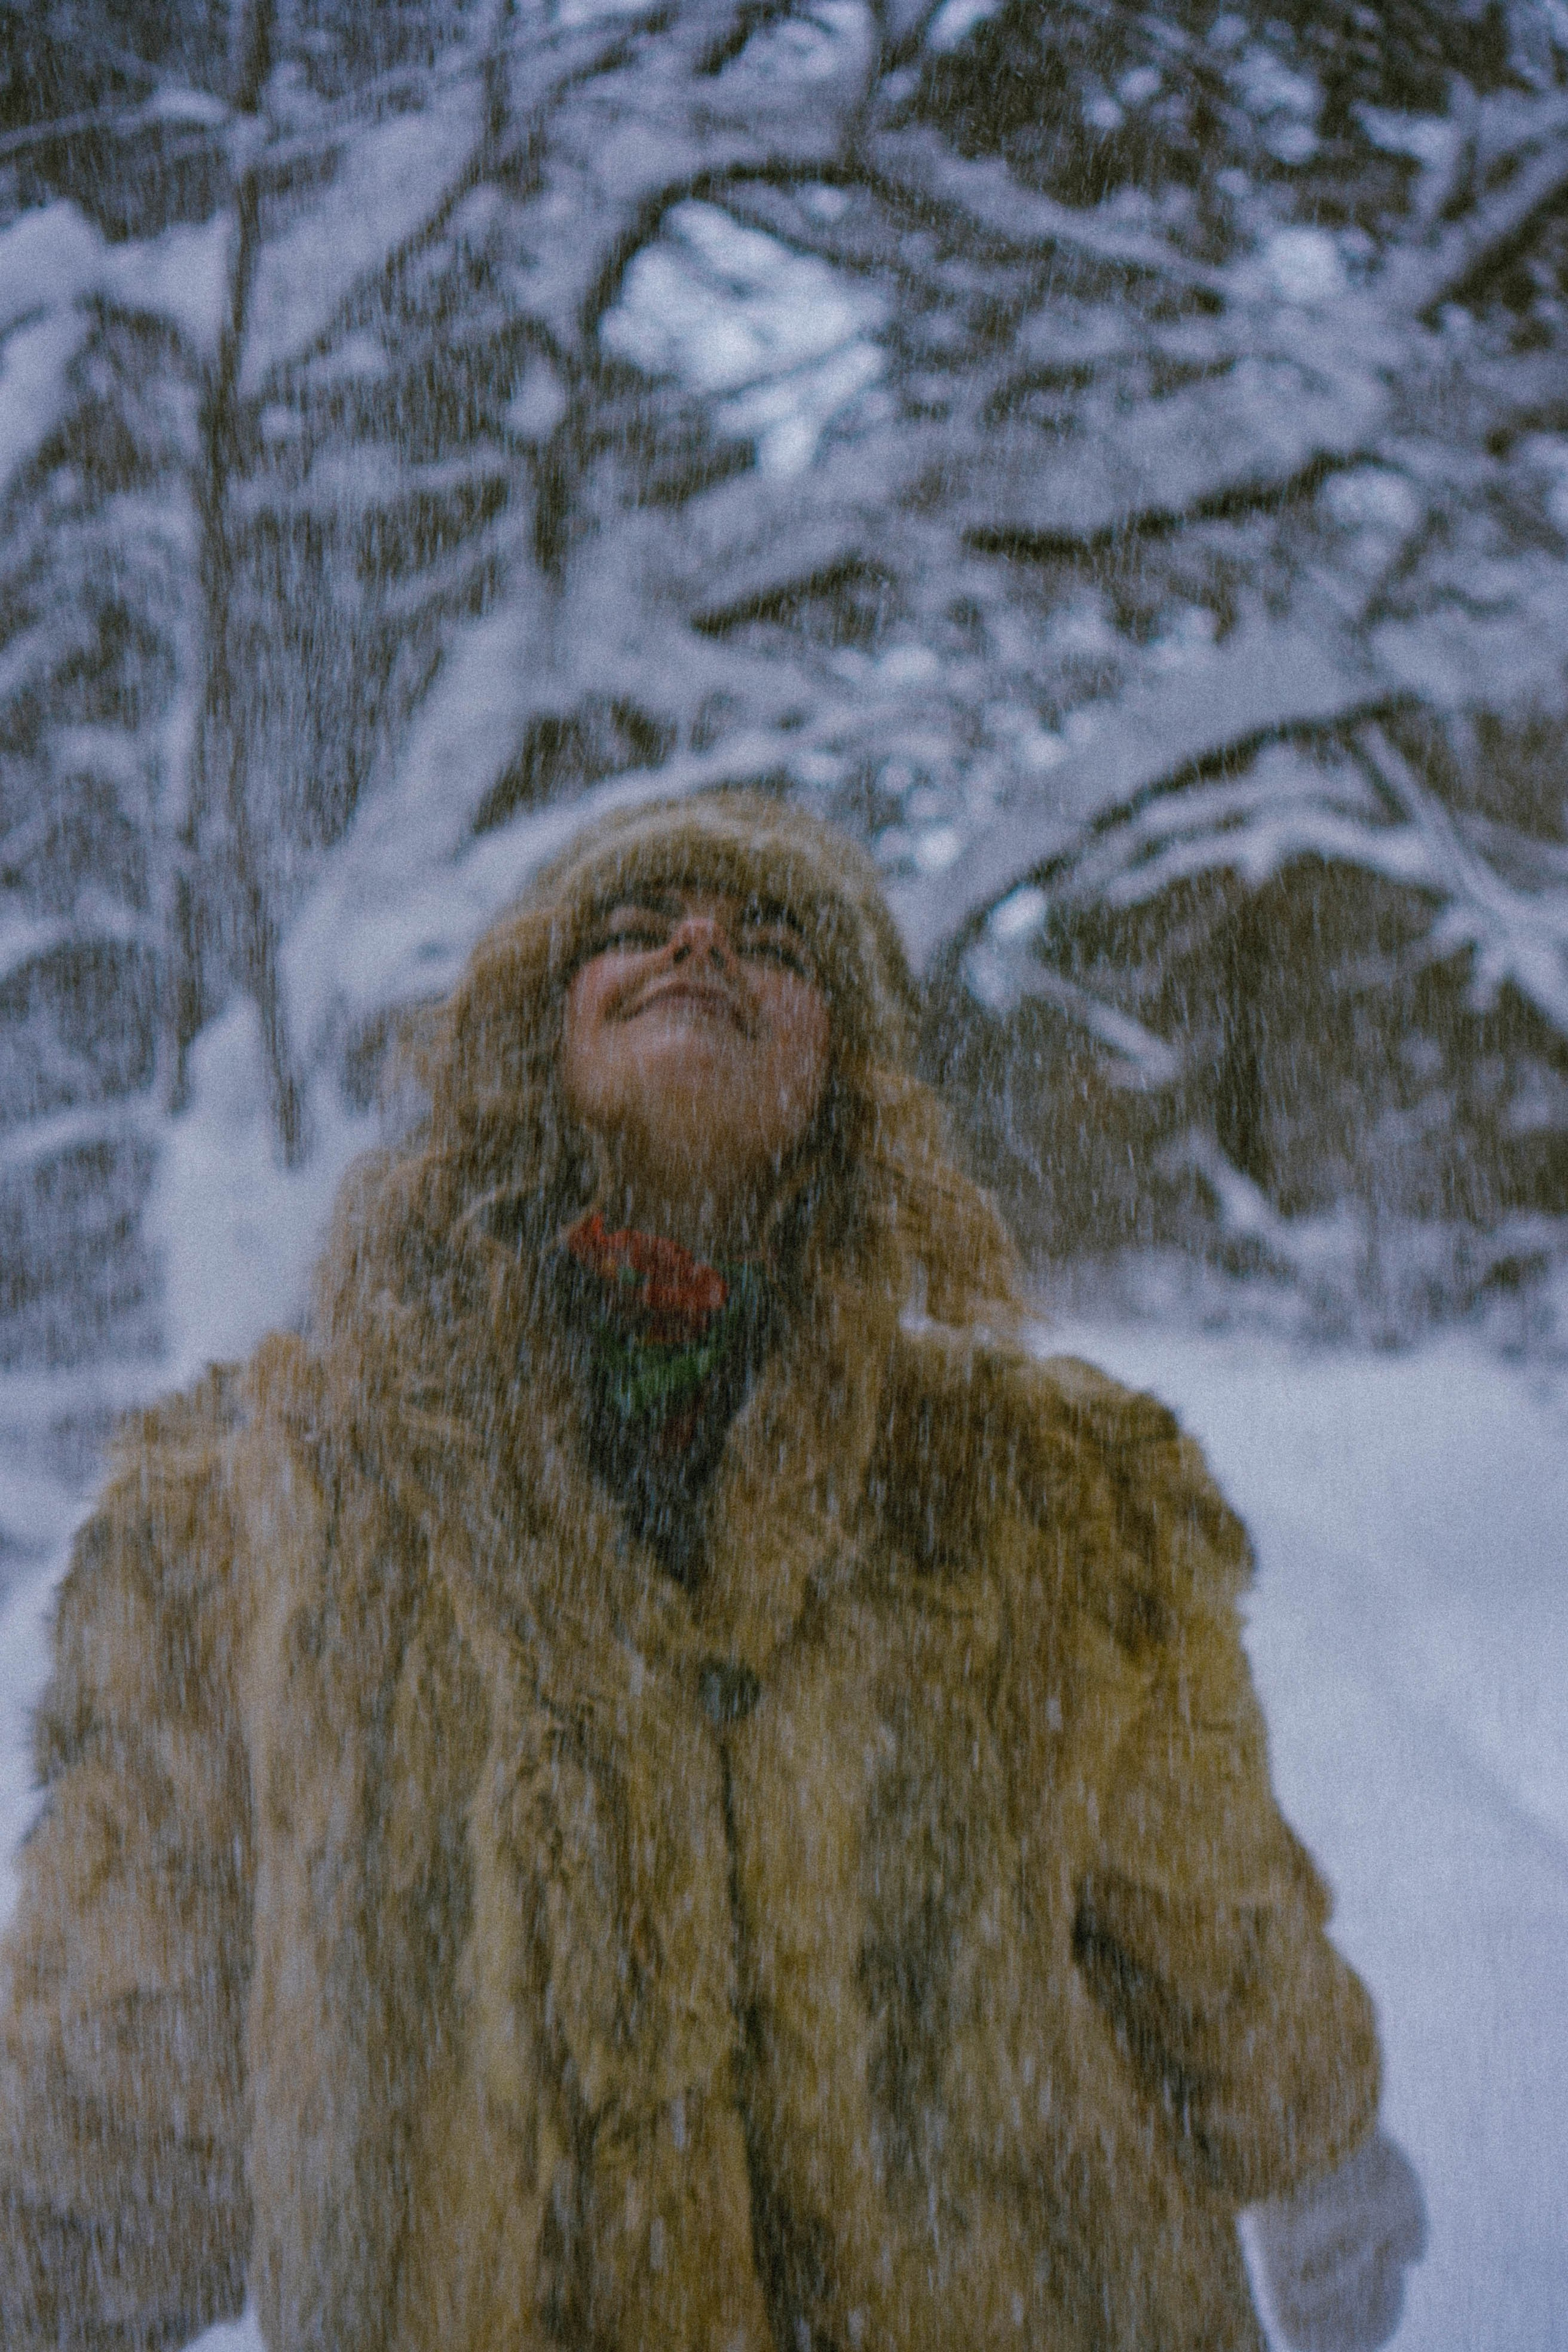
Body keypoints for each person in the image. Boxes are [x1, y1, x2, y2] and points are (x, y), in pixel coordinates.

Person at [0, 793, 1423, 2351]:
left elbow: (1200, 1899)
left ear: (844, 1081)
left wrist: (1314, 2144)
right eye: (636, 927)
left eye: (771, 941)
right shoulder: (259, 1512)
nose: (700, 946)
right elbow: (123, 2033)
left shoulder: (1043, 1490)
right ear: (531, 1034)